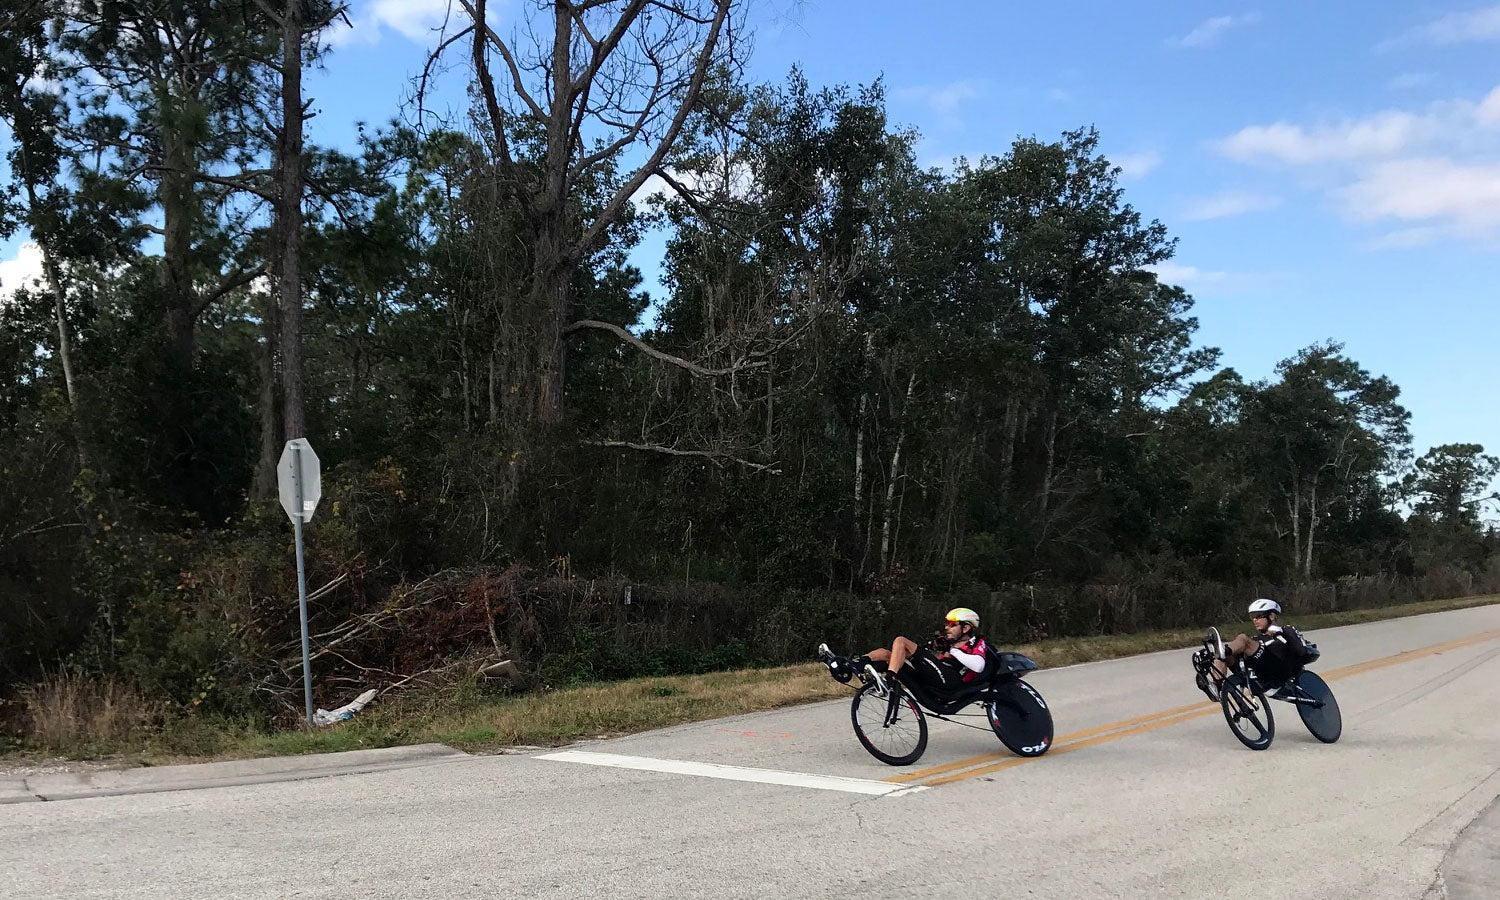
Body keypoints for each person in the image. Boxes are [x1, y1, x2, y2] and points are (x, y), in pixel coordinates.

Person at [857, 608, 990, 696]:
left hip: (951, 680)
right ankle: (858, 664)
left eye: (952, 625)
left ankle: (890, 679)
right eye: (947, 624)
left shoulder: (976, 642)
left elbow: (978, 666)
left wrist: (952, 650)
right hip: (936, 675)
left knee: (901, 641)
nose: (946, 628)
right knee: (887, 654)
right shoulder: (950, 642)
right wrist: (935, 646)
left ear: (966, 628)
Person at [1198, 598, 1312, 699]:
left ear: (1272, 616)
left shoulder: (1286, 631)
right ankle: (1217, 685)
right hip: (1255, 675)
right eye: (1252, 617)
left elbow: (1302, 651)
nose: (1254, 620)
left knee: (1242, 639)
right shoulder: (1256, 639)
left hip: (1277, 668)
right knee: (1221, 656)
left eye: (1258, 616)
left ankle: (1223, 651)